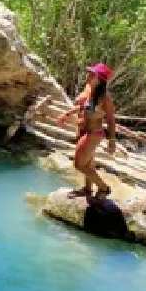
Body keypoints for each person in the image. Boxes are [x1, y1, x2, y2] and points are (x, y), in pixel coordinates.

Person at [59, 63, 118, 199]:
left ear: (100, 79)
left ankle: (104, 188)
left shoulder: (105, 98)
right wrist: (67, 114)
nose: (88, 75)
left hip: (93, 134)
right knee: (89, 163)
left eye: (92, 74)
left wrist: (112, 141)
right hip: (84, 131)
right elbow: (84, 108)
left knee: (79, 164)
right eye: (89, 73)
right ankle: (87, 189)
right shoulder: (91, 91)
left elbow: (111, 120)